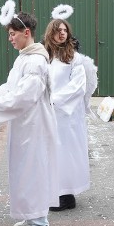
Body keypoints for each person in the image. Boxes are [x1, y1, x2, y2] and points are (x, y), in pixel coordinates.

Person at [0, 7, 59, 226]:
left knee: (34, 172)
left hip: (34, 127)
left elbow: (23, 97)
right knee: (23, 170)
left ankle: (41, 224)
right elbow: (12, 88)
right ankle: (31, 216)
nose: (10, 38)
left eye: (12, 33)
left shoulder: (34, 62)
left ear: (26, 32)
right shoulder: (25, 58)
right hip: (25, 126)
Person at [43, 18, 93, 211]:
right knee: (53, 153)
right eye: (58, 30)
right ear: (51, 33)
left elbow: (77, 87)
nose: (62, 33)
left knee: (66, 153)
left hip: (67, 116)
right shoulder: (47, 56)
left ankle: (66, 195)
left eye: (65, 30)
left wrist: (53, 100)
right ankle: (55, 192)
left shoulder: (74, 58)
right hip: (50, 113)